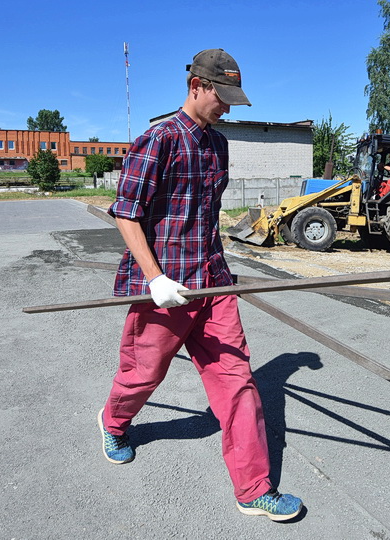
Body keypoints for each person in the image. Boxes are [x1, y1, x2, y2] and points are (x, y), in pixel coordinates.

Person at [97, 48, 303, 522]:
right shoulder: (158, 140)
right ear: (196, 86)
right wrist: (154, 278)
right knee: (142, 374)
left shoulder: (218, 144)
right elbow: (126, 214)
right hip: (165, 288)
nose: (227, 107)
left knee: (239, 385)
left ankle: (254, 489)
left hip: (213, 285)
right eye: (222, 97)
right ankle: (113, 422)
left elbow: (203, 217)